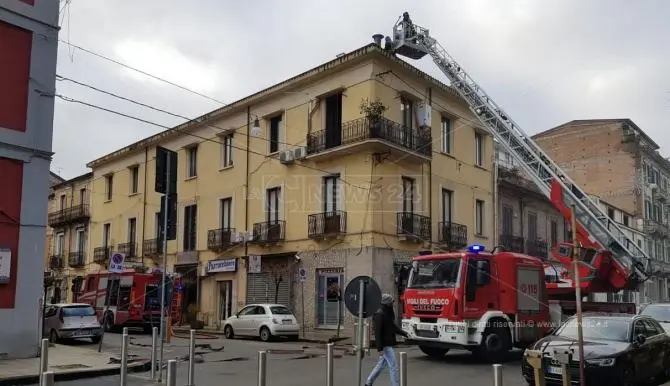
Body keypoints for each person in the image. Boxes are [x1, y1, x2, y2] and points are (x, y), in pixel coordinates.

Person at [365, 293, 408, 386]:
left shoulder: (386, 313)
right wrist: (379, 348)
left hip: (387, 343)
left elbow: (393, 327)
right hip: (385, 345)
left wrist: (404, 333)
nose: (392, 304)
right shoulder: (379, 314)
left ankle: (369, 382)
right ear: (387, 303)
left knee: (381, 365)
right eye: (391, 302)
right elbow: (378, 332)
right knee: (393, 366)